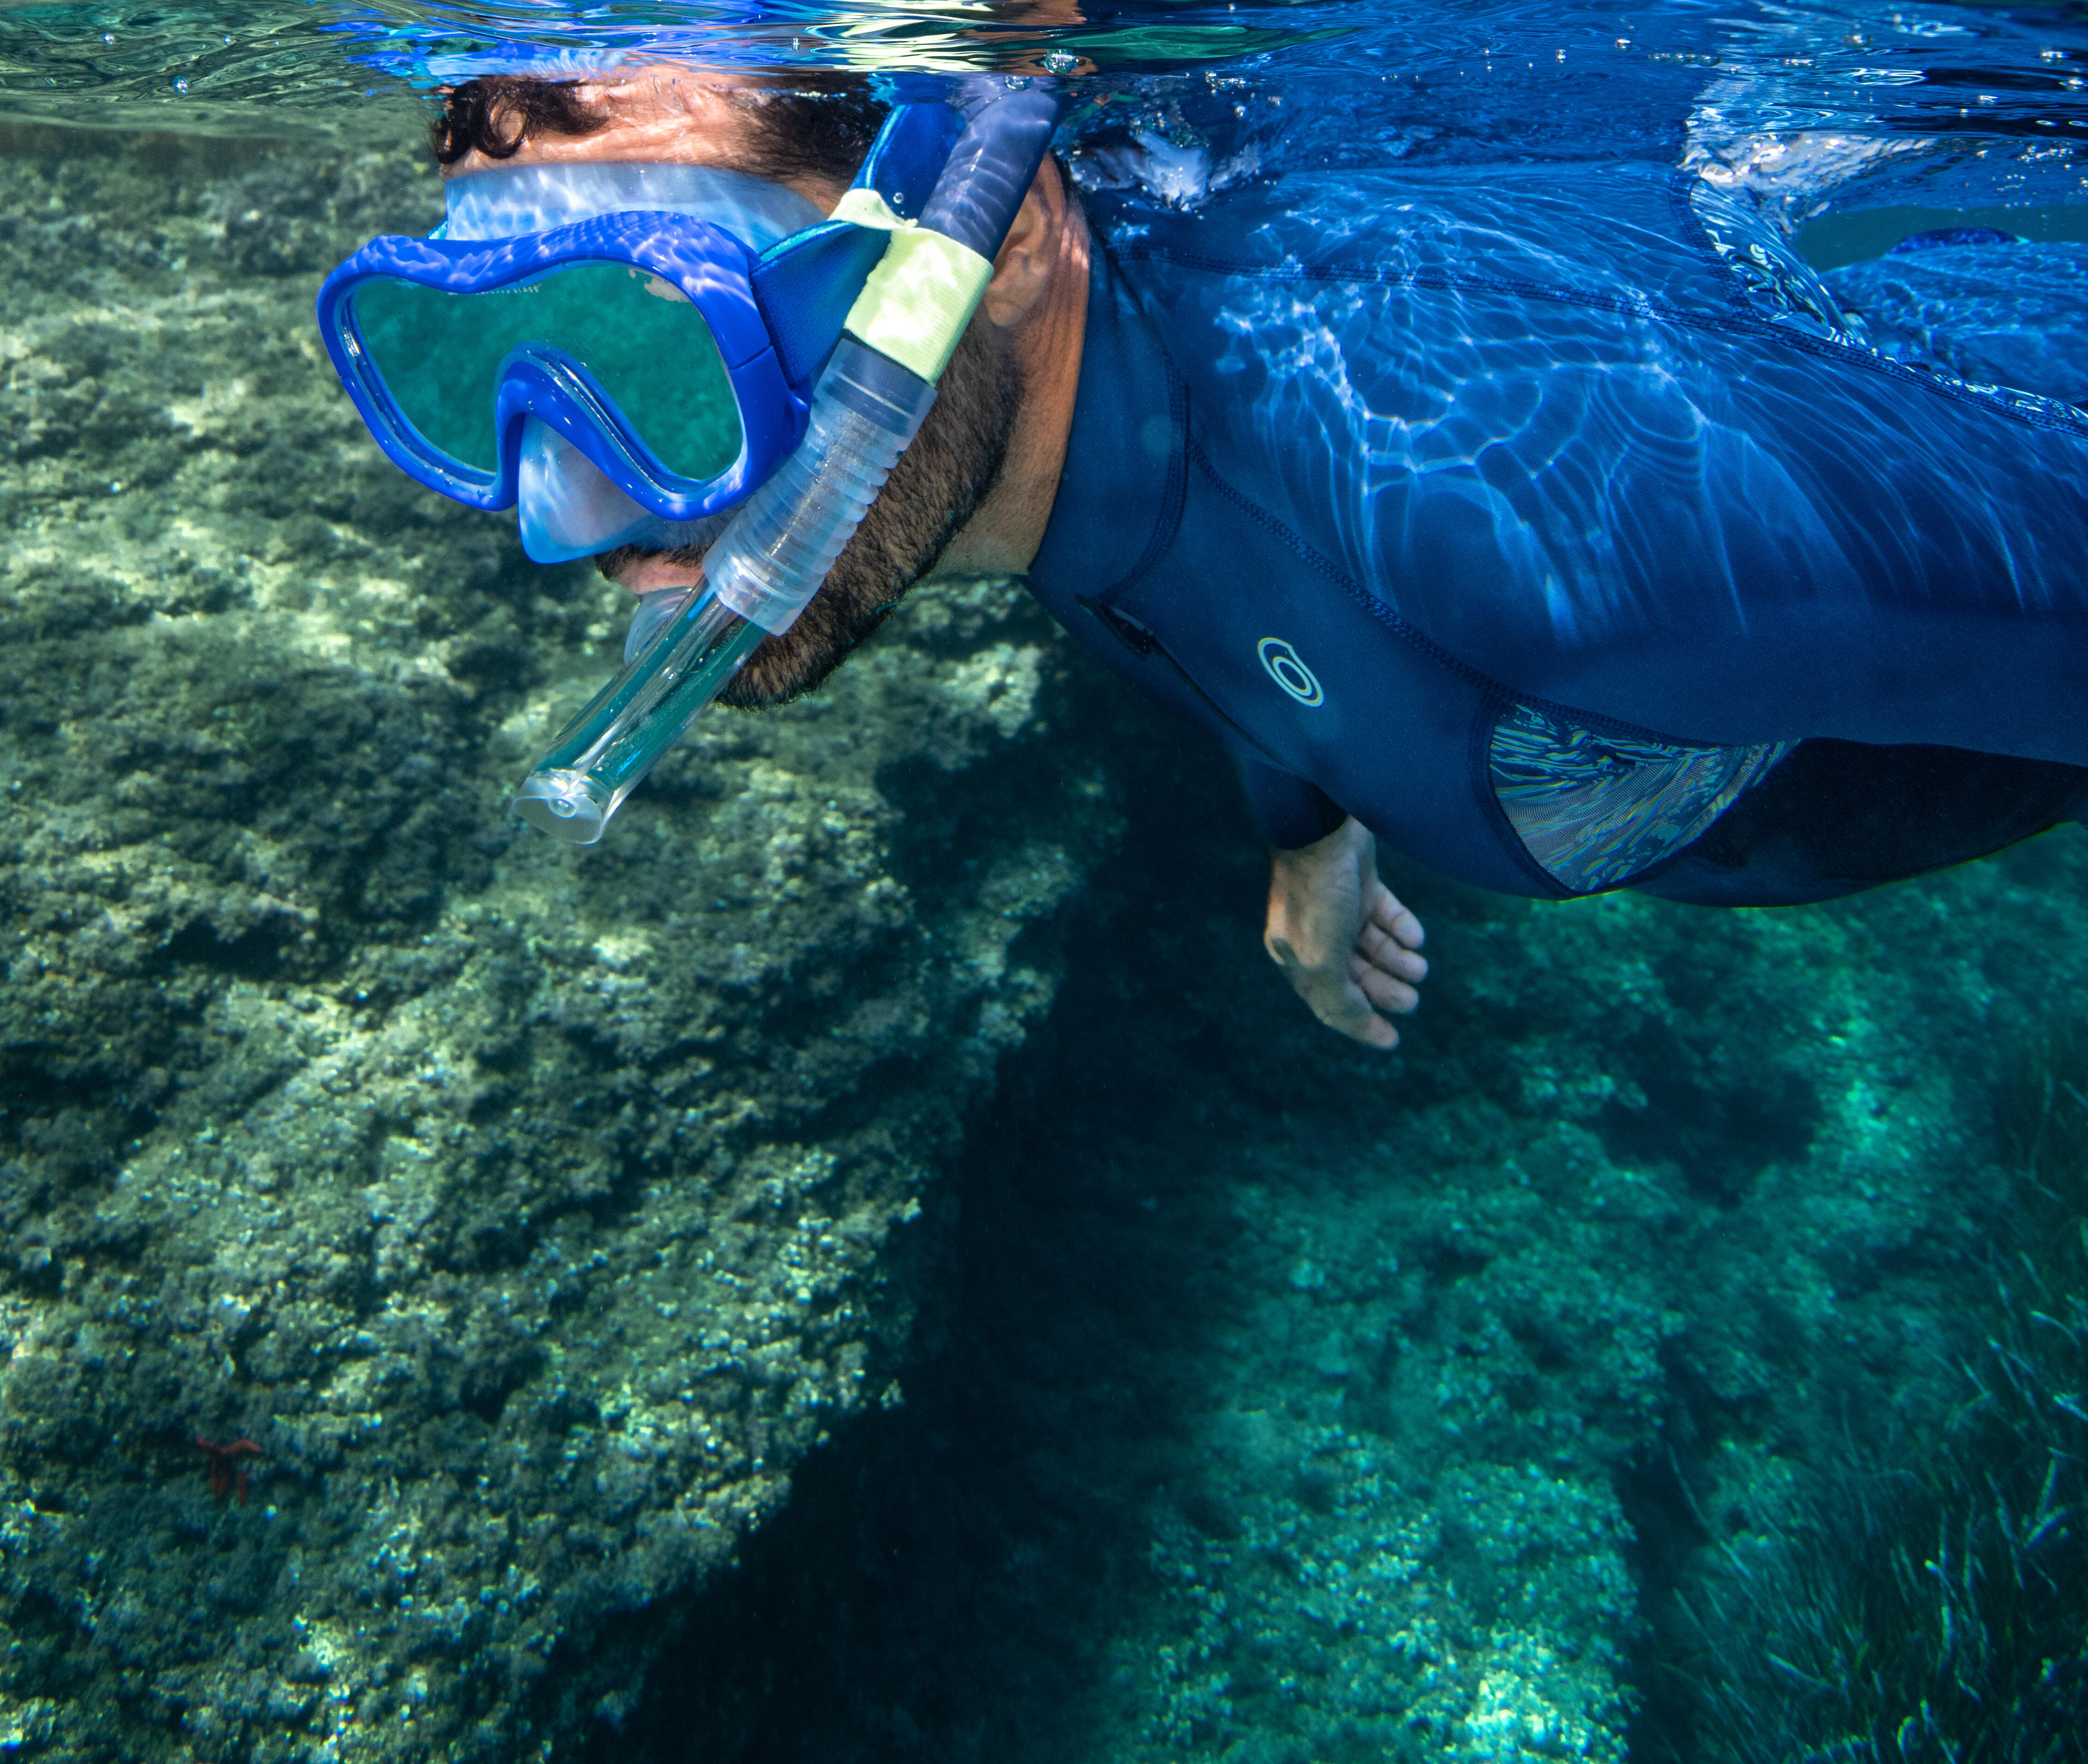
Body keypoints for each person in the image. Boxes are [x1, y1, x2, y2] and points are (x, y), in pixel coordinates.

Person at [322, 60, 2088, 1052]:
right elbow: (1229, 590)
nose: (563, 516)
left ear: (1002, 232)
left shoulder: (1570, 551)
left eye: (660, 337)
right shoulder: (1037, 452)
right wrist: (1314, 828)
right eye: (477, 363)